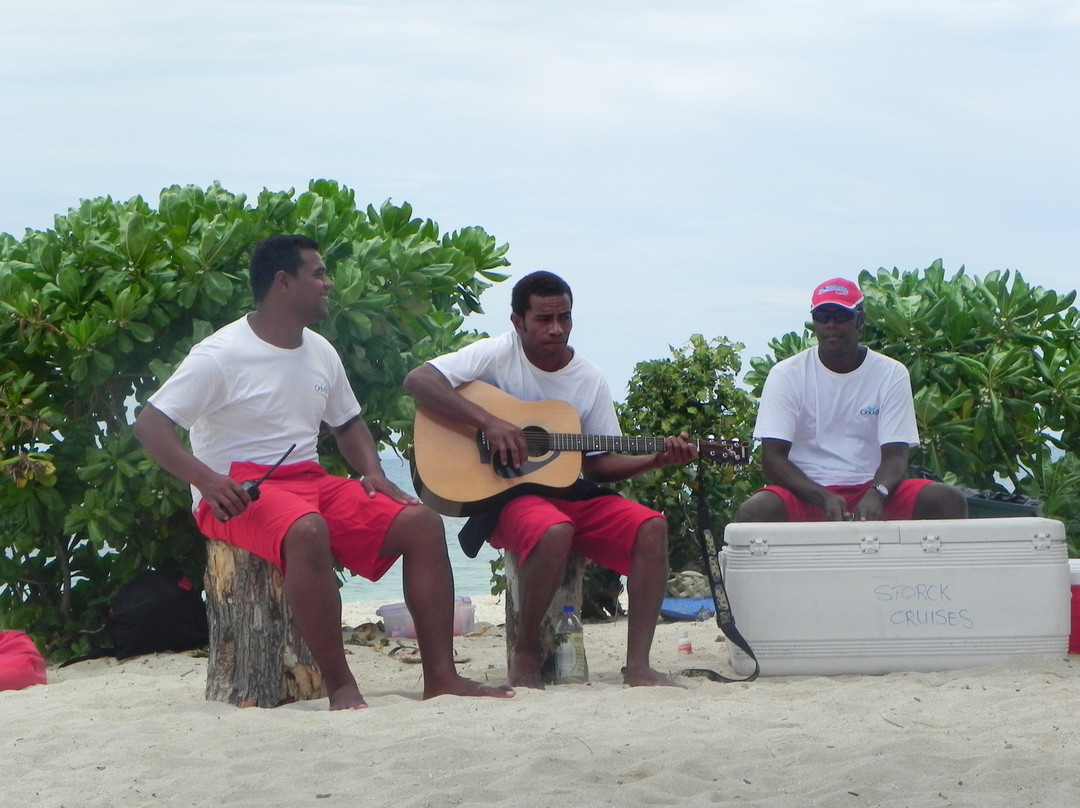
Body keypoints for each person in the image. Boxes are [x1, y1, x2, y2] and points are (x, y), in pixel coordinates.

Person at [134, 234, 514, 710]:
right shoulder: (220, 354)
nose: (328, 283)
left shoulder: (319, 350)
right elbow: (151, 425)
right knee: (307, 529)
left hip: (307, 478)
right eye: (318, 273)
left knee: (420, 522)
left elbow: (348, 422)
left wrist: (372, 471)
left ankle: (441, 677)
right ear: (283, 282)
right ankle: (340, 686)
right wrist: (207, 482)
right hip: (237, 489)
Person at [403, 270, 698, 689]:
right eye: (543, 319)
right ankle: (525, 651)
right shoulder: (494, 354)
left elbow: (596, 464)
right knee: (554, 530)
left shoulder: (588, 377)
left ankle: (638, 666)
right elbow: (419, 380)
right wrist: (490, 422)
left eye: (565, 317)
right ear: (517, 322)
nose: (556, 328)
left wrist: (655, 460)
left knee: (652, 526)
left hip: (567, 492)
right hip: (507, 497)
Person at [736, 277, 968, 523]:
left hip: (872, 489)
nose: (831, 324)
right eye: (822, 316)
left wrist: (877, 493)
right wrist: (823, 497)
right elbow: (772, 459)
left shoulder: (891, 373)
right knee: (754, 512)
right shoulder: (786, 374)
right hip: (807, 493)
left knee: (948, 500)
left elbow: (896, 457)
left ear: (860, 320)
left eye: (841, 315)